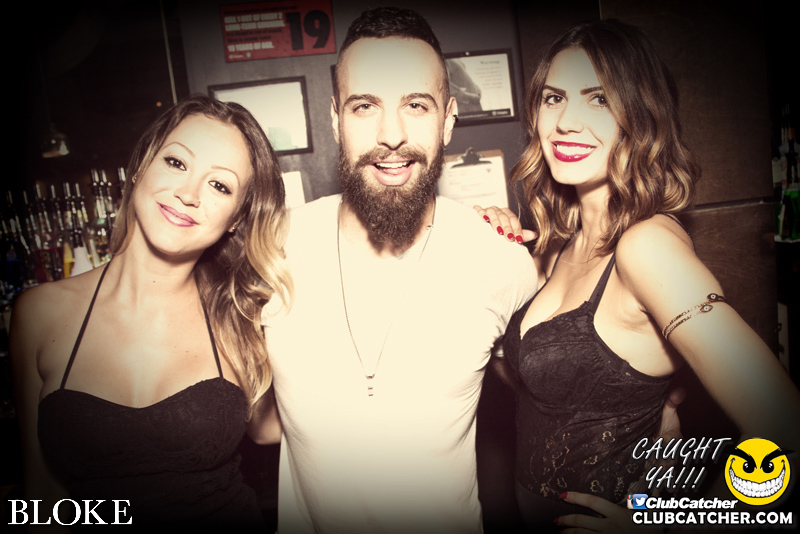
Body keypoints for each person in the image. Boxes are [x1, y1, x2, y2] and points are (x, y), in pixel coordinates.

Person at [480, 19, 800, 531]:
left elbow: (785, 424)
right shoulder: (563, 243)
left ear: (640, 116)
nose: (565, 122)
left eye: (599, 100)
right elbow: (543, 383)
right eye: (554, 98)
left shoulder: (646, 246)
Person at [247, 7, 537, 534]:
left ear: (448, 119)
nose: (392, 134)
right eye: (365, 106)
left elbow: (568, 396)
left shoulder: (501, 258)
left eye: (416, 105)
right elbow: (257, 425)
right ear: (335, 119)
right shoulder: (274, 247)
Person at [10, 95, 293, 531]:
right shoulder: (38, 314)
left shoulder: (241, 317)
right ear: (141, 165)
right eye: (177, 163)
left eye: (219, 186)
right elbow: (39, 496)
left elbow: (276, 429)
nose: (187, 194)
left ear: (237, 217)